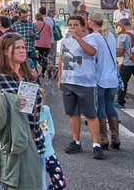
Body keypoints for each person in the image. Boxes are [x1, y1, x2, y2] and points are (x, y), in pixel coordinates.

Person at [0, 34, 44, 190]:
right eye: (17, 48)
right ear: (5, 51)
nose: (22, 51)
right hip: (6, 137)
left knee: (28, 181)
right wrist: (9, 100)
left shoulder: (27, 74)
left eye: (23, 47)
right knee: (1, 180)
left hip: (31, 135)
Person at [58, 15, 104, 159]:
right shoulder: (64, 41)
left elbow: (91, 52)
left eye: (76, 25)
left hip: (86, 82)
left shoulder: (90, 39)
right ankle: (76, 141)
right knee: (73, 112)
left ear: (84, 27)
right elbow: (61, 59)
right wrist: (60, 78)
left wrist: (78, 38)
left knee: (90, 114)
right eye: (70, 25)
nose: (73, 28)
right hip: (68, 81)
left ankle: (96, 144)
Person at [88, 12, 120, 151]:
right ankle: (116, 137)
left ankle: (103, 138)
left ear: (93, 22)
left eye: (89, 20)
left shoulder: (93, 37)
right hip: (112, 76)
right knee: (110, 106)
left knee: (100, 107)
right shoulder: (111, 35)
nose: (88, 22)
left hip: (99, 76)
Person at [38, 88, 66, 190]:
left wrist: (52, 132)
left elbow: (49, 120)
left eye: (40, 99)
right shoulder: (28, 115)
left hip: (49, 152)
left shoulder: (45, 109)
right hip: (36, 153)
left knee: (60, 184)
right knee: (39, 182)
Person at [116, 18, 134, 109]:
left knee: (123, 82)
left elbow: (119, 52)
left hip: (128, 63)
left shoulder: (122, 36)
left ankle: (120, 101)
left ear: (122, 26)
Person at [34, 13, 52, 77]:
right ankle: (42, 72)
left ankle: (46, 67)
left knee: (38, 58)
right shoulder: (47, 25)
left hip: (38, 44)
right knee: (45, 58)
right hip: (47, 45)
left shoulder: (34, 25)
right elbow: (50, 35)